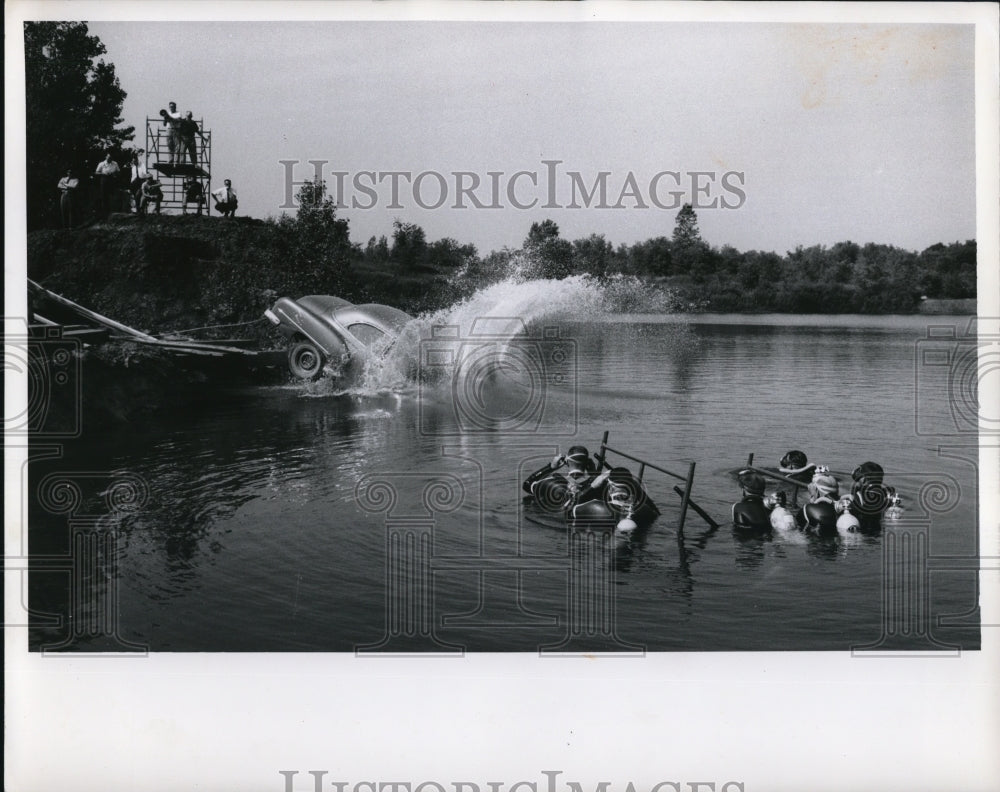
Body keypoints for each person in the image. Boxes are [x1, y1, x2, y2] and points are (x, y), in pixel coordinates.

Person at [522, 445, 600, 509]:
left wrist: (550, 467)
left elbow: (527, 484)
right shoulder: (596, 485)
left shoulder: (553, 481)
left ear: (567, 462)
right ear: (588, 463)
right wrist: (594, 474)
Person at [94, 152, 120, 219]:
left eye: (111, 158)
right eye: (108, 158)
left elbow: (118, 171)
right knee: (104, 196)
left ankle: (112, 212)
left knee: (112, 195)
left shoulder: (115, 163)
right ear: (106, 157)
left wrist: (114, 173)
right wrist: (103, 173)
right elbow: (96, 172)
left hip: (112, 180)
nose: (110, 159)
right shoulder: (102, 164)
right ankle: (104, 213)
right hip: (104, 179)